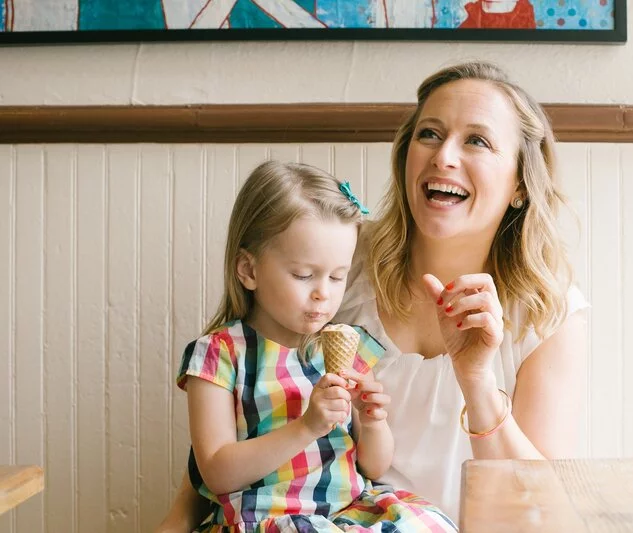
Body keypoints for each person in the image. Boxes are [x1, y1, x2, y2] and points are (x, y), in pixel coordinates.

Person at [157, 60, 588, 531]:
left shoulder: (549, 313)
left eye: (477, 141)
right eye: (429, 133)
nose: (443, 156)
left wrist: (477, 379)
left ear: (522, 182)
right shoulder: (340, 265)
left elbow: (542, 515)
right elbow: (242, 407)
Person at [171, 160, 457, 532]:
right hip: (266, 518)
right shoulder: (219, 355)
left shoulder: (346, 349)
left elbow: (374, 467)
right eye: (304, 275)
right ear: (249, 270)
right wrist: (307, 426)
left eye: (338, 276)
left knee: (427, 523)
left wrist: (373, 424)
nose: (324, 293)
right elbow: (217, 473)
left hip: (349, 511)